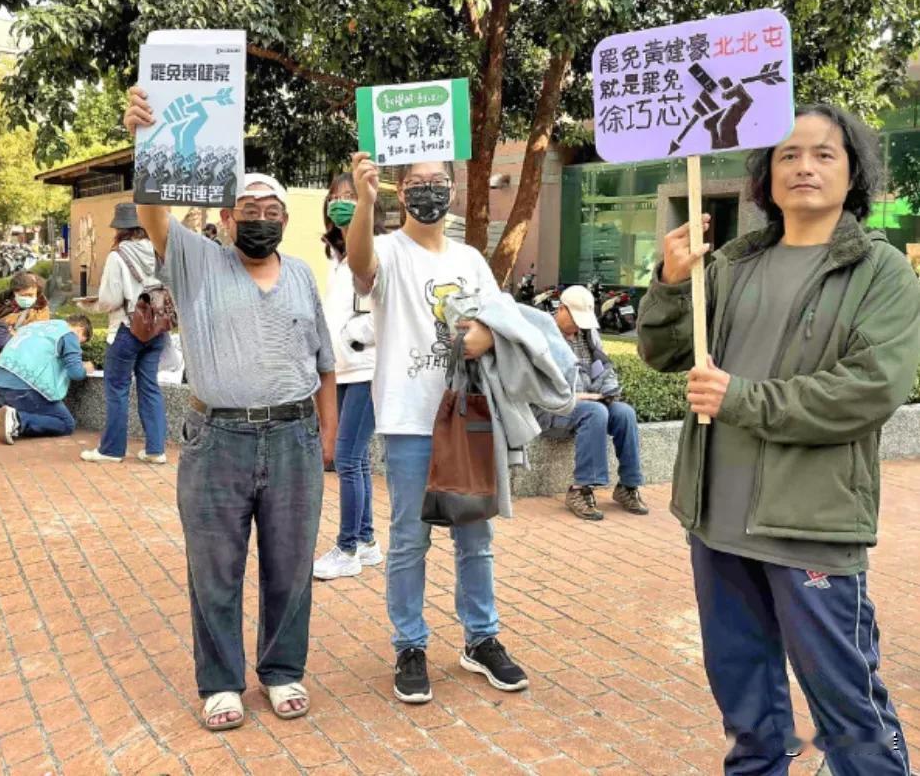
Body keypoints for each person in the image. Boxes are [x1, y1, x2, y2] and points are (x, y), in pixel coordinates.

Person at [638, 104, 919, 776]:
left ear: (853, 172)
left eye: (824, 153)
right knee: (748, 715)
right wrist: (673, 284)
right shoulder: (735, 262)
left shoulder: (880, 272)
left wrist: (743, 399)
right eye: (788, 154)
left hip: (810, 525)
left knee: (850, 711)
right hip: (718, 522)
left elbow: (869, 389)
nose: (805, 167)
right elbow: (662, 351)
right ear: (767, 173)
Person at [124, 87, 337, 731]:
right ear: (224, 217)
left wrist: (326, 438)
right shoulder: (197, 261)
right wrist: (147, 140)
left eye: (273, 209)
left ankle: (282, 671)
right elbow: (155, 213)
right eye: (248, 207)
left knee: (291, 564)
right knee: (214, 567)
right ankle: (219, 681)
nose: (262, 217)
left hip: (295, 436)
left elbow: (324, 363)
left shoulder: (301, 273)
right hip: (218, 439)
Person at [346, 152, 528, 704]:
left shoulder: (471, 257)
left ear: (452, 189)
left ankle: (481, 638)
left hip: (468, 414)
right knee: (408, 539)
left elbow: (503, 323)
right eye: (417, 182)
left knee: (477, 534)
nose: (428, 191)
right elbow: (359, 266)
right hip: (408, 418)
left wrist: (486, 338)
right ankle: (410, 644)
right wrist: (363, 200)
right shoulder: (390, 252)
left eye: (438, 182)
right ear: (401, 191)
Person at [313, 173, 384, 580]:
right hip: (341, 370)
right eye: (335, 197)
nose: (340, 203)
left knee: (347, 458)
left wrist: (360, 336)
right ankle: (368, 541)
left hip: (368, 369)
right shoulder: (333, 254)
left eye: (350, 197)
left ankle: (347, 548)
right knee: (354, 458)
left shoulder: (379, 250)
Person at [536, 285, 648, 520]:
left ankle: (628, 486)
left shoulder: (588, 334)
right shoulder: (540, 335)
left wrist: (608, 391)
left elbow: (604, 370)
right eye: (575, 318)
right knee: (595, 411)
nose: (578, 325)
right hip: (550, 409)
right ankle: (581, 489)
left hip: (587, 405)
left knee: (624, 413)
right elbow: (537, 386)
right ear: (562, 309)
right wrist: (581, 397)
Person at [78, 203, 168, 464]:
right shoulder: (158, 252)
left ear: (121, 229)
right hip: (156, 328)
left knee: (117, 388)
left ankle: (111, 450)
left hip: (127, 329)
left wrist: (90, 304)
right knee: (150, 386)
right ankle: (156, 449)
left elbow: (110, 299)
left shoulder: (118, 256)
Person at [0, 315, 94, 444]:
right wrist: (86, 367)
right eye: (81, 342)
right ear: (80, 329)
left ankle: (3, 418)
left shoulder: (33, 327)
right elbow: (76, 373)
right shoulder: (68, 333)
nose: (78, 346)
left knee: (36, 413)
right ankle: (16, 420)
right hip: (25, 388)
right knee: (66, 423)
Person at [0, 271, 51, 365]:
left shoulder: (40, 310)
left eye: (31, 295)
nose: (27, 298)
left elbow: (37, 339)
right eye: (23, 295)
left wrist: (15, 335)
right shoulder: (2, 302)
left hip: (14, 359)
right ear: (15, 292)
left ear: (37, 292)